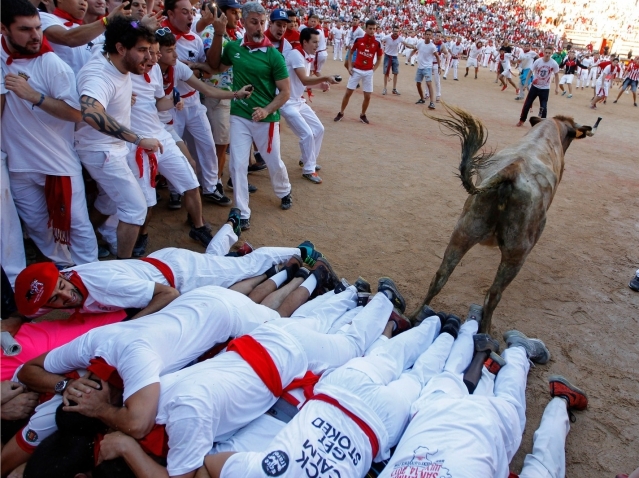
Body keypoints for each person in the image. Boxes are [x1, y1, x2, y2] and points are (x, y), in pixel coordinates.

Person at [95, 283, 405, 477]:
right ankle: (351, 293)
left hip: (284, 357)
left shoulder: (185, 418)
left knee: (348, 346)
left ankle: (384, 299)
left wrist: (128, 450)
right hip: (264, 345)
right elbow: (136, 424)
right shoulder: (155, 400)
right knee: (315, 324)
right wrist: (124, 442)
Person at [202, 313, 462, 478]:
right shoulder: (257, 473)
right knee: (391, 358)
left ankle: (449, 332)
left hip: (374, 427)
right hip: (339, 398)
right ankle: (433, 322)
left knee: (416, 378)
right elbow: (207, 466)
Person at [13, 225, 319, 318]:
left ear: (65, 275)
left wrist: (133, 323)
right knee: (219, 264)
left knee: (245, 267)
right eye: (55, 298)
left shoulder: (102, 285)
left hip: (179, 276)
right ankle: (229, 230)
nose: (65, 296)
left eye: (61, 287)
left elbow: (168, 295)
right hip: (164, 265)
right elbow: (30, 309)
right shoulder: (71, 277)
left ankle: (300, 249)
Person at [1, 0, 98, 269]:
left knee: (76, 224)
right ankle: (66, 272)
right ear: (3, 30)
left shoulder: (52, 64)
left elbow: (78, 113)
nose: (35, 36)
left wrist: (33, 96)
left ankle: (91, 275)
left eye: (38, 28)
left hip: (57, 162)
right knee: (37, 227)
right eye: (25, 29)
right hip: (18, 164)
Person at [378, 329, 551, 477]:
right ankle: (478, 349)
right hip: (432, 409)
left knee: (509, 399)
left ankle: (518, 350)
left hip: (484, 423)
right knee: (450, 374)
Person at [74, 17, 162, 259]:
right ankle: (124, 265)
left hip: (112, 147)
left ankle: (88, 235)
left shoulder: (116, 65)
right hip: (100, 150)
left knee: (109, 201)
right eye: (142, 50)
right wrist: (138, 139)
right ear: (121, 48)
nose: (150, 58)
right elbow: (91, 113)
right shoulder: (99, 75)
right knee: (136, 208)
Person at [207, 2, 293, 230]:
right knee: (236, 164)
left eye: (262, 22)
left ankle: (284, 190)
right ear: (243, 22)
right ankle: (242, 211)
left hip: (266, 119)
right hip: (240, 115)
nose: (259, 27)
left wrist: (266, 109)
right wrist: (217, 35)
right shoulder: (234, 48)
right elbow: (216, 67)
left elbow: (285, 92)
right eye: (254, 22)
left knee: (273, 161)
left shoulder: (274, 55)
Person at [161, 0, 231, 206]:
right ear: (170, 14)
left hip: (192, 99)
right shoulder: (159, 37)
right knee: (176, 149)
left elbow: (208, 68)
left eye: (192, 12)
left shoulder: (195, 39)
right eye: (184, 12)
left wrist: (195, 68)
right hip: (169, 105)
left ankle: (210, 187)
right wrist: (193, 69)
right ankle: (175, 190)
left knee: (207, 144)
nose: (191, 17)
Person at [280, 28, 338, 184]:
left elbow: (301, 83)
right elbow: (305, 80)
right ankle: (308, 169)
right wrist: (324, 77)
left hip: (297, 100)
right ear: (304, 42)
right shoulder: (295, 55)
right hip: (286, 102)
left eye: (318, 43)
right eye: (314, 42)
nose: (316, 46)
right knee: (307, 134)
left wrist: (321, 86)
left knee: (319, 129)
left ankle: (307, 160)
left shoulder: (305, 56)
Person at [37, 0, 127, 74]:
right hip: (56, 91)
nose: (83, 3)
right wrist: (107, 21)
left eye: (85, 0)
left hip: (87, 91)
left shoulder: (94, 32)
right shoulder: (43, 18)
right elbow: (68, 38)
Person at [334, 19, 383, 124]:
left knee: (368, 96)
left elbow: (379, 59)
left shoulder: (377, 43)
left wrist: (373, 71)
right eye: (370, 28)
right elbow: (351, 52)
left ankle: (362, 115)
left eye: (374, 29)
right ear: (366, 29)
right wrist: (350, 67)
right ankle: (341, 112)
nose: (372, 31)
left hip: (368, 72)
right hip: (356, 70)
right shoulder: (358, 40)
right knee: (348, 93)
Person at [516, 45, 559, 126]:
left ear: (551, 53)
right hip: (535, 87)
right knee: (527, 104)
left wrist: (556, 87)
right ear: (543, 52)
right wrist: (526, 83)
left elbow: (556, 75)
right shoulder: (538, 61)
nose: (547, 54)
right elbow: (530, 72)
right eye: (546, 52)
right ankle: (522, 120)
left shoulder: (554, 63)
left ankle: (542, 124)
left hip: (545, 88)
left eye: (549, 53)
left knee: (543, 107)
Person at [406, 28, 441, 109]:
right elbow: (414, 50)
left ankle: (432, 102)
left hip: (428, 67)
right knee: (418, 84)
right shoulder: (420, 43)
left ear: (432, 36)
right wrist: (410, 56)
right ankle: (422, 98)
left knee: (429, 83)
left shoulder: (432, 47)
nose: (428, 36)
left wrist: (439, 67)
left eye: (430, 35)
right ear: (424, 35)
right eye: (427, 34)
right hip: (420, 67)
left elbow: (437, 57)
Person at [381, 25, 403, 96]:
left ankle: (394, 89)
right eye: (394, 31)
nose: (396, 32)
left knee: (396, 73)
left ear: (398, 31)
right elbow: (381, 40)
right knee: (385, 73)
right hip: (387, 56)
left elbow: (405, 43)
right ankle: (385, 88)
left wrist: (413, 47)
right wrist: (382, 48)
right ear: (392, 31)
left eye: (397, 31)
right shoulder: (387, 37)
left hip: (395, 57)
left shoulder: (399, 38)